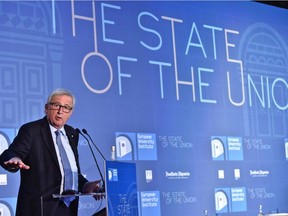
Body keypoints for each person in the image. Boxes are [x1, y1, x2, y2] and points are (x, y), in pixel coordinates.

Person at [0, 88, 102, 216]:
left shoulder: (72, 134)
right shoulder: (32, 130)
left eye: (66, 107)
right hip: (39, 209)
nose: (60, 111)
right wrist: (14, 159)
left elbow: (68, 172)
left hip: (68, 209)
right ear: (46, 108)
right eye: (56, 105)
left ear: (70, 112)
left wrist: (85, 185)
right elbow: (10, 153)